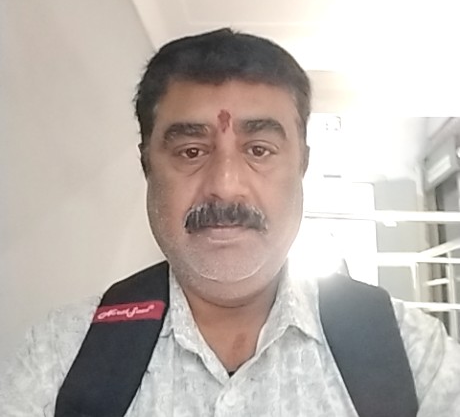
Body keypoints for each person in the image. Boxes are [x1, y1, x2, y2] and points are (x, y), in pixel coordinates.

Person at [1, 28, 460, 416]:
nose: (224, 185)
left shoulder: (412, 352)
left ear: (302, 164)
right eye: (191, 152)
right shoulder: (62, 354)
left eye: (259, 150)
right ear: (147, 166)